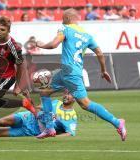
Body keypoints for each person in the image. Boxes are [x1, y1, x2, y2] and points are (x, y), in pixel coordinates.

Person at [35, 8, 127, 141]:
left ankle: (117, 123)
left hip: (70, 73)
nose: (62, 21)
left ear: (67, 18)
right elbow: (100, 54)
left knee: (85, 104)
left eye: (62, 18)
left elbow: (54, 44)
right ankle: (50, 128)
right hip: (67, 72)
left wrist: (41, 45)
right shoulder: (87, 36)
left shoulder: (65, 29)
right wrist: (103, 70)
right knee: (45, 92)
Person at [0, 91, 77, 138]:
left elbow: (70, 133)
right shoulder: (56, 103)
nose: (66, 96)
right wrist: (29, 100)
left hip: (32, 131)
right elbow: (39, 107)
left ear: (75, 98)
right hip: (27, 118)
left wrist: (54, 136)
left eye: (70, 95)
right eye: (66, 93)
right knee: (0, 121)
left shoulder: (71, 116)